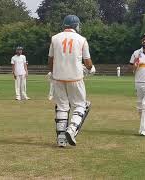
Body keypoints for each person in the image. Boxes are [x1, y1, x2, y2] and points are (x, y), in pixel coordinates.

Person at [48, 15, 95, 147]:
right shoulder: (82, 40)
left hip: (58, 78)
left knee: (62, 107)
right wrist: (90, 68)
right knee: (81, 105)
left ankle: (61, 139)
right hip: (75, 78)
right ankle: (72, 129)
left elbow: (50, 61)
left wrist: (53, 73)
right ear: (76, 25)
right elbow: (88, 62)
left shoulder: (54, 38)